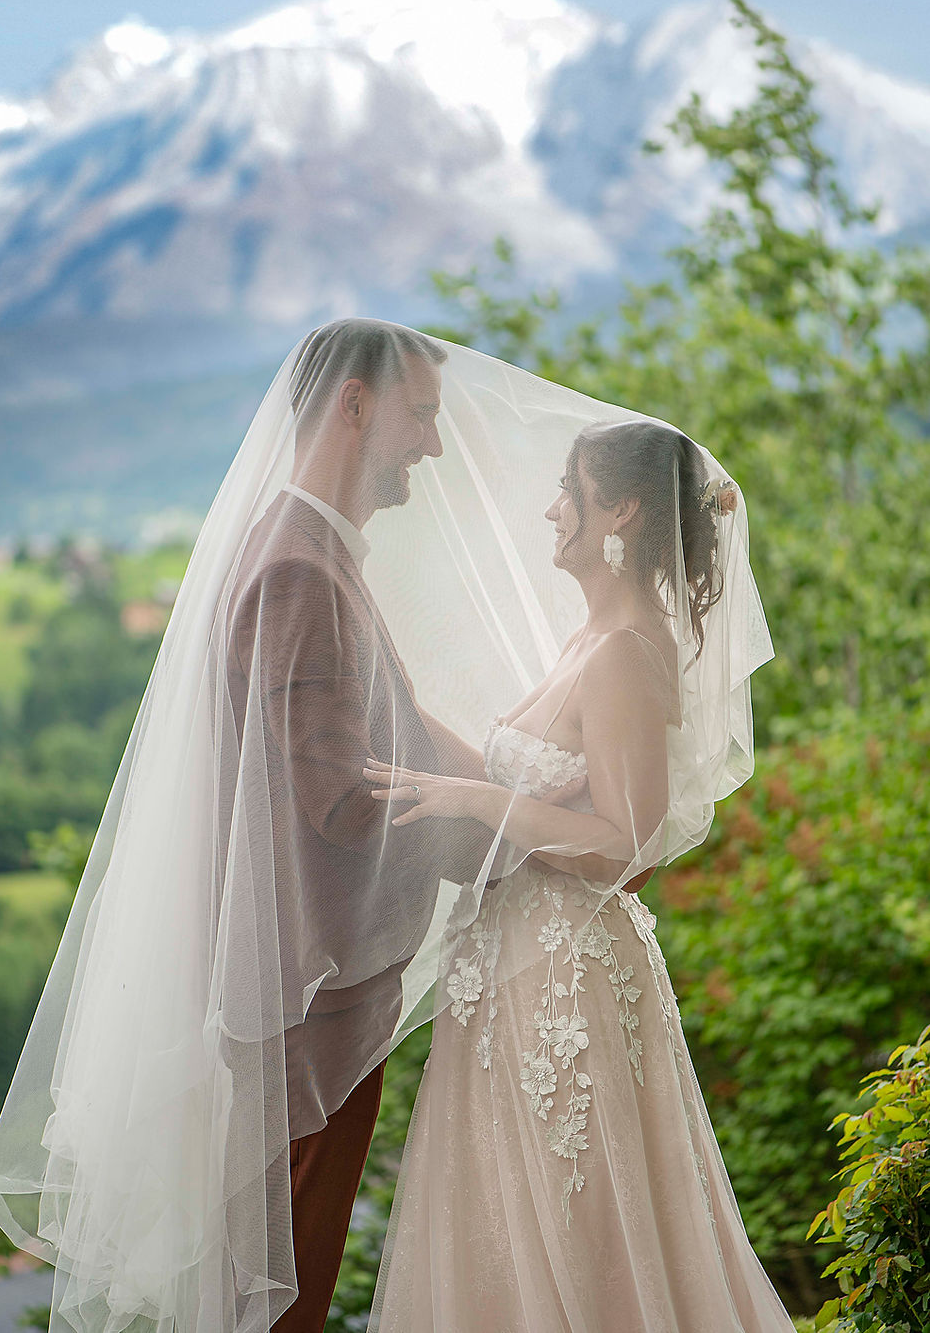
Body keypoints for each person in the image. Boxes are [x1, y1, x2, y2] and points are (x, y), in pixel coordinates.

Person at [0, 321, 772, 1333]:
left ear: (619, 513)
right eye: (423, 415)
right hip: (314, 987)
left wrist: (526, 820)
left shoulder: (320, 556)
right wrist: (513, 843)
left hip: (505, 973)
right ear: (355, 403)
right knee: (292, 1279)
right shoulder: (301, 566)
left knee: (524, 1227)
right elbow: (344, 799)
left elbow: (443, 757)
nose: (434, 446)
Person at [364, 421, 798, 1331]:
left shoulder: (627, 653)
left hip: (565, 977)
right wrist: (394, 700)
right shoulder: (589, 639)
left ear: (623, 510)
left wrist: (477, 806)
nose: (553, 507)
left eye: (570, 488)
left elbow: (625, 843)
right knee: (503, 1224)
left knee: (582, 1232)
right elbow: (513, 772)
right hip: (511, 972)